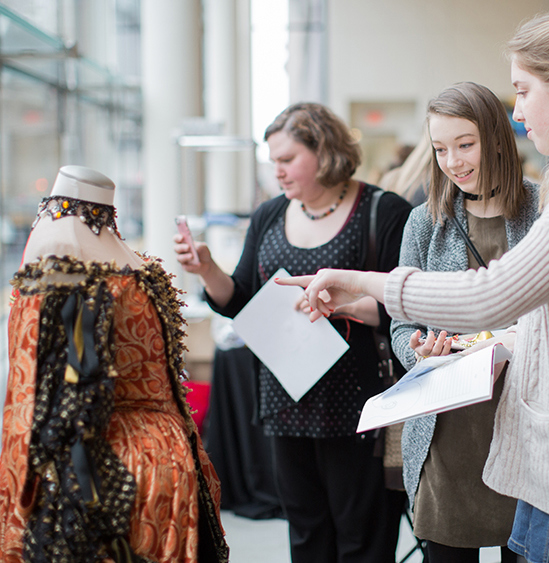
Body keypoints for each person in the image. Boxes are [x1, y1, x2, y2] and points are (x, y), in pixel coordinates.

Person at [278, 12, 549, 563]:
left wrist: (364, 282)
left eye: (523, 90)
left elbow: (491, 296)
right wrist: (473, 347)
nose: (520, 109)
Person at [173, 102, 411, 563]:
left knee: (362, 536)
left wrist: (342, 303)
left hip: (357, 403)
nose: (276, 171)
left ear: (323, 152)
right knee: (305, 534)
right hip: (286, 398)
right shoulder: (268, 215)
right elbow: (240, 299)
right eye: (273, 161)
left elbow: (404, 303)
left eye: (286, 159)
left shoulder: (381, 211)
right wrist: (206, 269)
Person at [0, 165, 228, 563]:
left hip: (155, 464)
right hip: (115, 469)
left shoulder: (95, 242)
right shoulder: (58, 242)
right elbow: (46, 393)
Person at [392, 82, 539, 563]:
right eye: (439, 149)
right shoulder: (424, 223)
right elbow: (399, 326)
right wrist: (417, 351)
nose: (452, 161)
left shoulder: (544, 210)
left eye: (465, 144)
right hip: (448, 436)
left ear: (497, 138)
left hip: (526, 433)